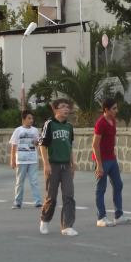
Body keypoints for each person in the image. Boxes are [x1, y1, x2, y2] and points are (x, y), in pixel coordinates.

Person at [92, 98, 131, 227]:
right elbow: (95, 144)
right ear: (106, 110)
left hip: (112, 159)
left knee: (118, 185)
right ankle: (101, 217)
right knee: (101, 188)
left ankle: (119, 215)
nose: (116, 110)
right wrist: (99, 165)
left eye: (116, 108)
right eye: (114, 108)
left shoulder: (113, 121)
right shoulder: (100, 124)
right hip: (102, 161)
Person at [39, 98, 78, 236]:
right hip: (53, 164)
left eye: (67, 107)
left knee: (69, 195)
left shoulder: (69, 126)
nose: (66, 109)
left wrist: (73, 164)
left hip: (66, 165)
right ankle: (45, 219)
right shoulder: (50, 124)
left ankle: (67, 226)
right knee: (52, 196)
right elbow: (42, 145)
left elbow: (70, 147)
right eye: (62, 107)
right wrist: (46, 163)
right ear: (55, 110)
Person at [10, 109, 43, 209]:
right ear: (23, 119)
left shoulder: (35, 130)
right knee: (20, 182)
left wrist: (37, 142)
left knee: (34, 181)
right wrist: (12, 159)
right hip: (21, 160)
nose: (31, 120)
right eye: (29, 118)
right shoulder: (18, 130)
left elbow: (37, 144)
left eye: (32, 118)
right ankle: (17, 202)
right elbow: (14, 145)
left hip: (32, 159)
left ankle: (37, 201)